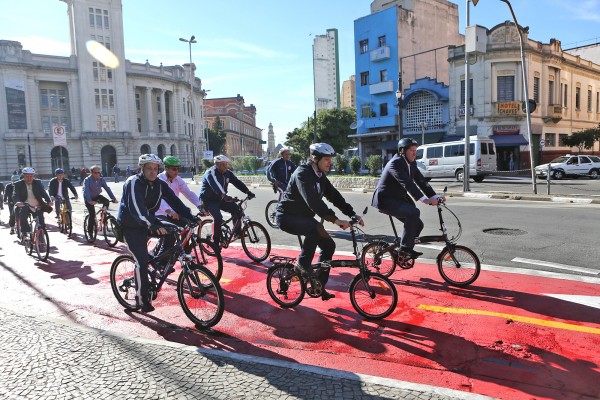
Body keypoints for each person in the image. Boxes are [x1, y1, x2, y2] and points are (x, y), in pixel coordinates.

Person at [275, 143, 362, 301]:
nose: (330, 162)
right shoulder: (302, 174)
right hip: (286, 217)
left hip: (303, 217)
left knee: (329, 246)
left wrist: (352, 213)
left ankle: (318, 286)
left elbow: (334, 197)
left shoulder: (321, 177)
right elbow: (314, 202)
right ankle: (302, 263)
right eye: (327, 159)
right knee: (314, 227)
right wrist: (336, 220)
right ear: (315, 159)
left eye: (330, 159)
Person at [117, 154, 196, 313]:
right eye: (149, 169)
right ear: (142, 169)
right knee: (142, 260)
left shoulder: (159, 184)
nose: (153, 172)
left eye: (155, 169)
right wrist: (152, 225)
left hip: (148, 222)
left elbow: (175, 201)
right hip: (130, 225)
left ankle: (159, 263)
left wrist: (189, 216)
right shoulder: (133, 183)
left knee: (171, 231)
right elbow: (136, 209)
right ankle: (141, 298)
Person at [371, 138, 439, 260]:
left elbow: (421, 181)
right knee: (414, 212)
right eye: (412, 150)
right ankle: (405, 249)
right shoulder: (395, 163)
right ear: (403, 151)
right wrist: (424, 199)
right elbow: (407, 183)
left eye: (415, 150)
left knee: (418, 225)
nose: (415, 153)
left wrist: (435, 197)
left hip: (398, 199)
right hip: (385, 200)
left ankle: (404, 252)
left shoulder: (412, 163)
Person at [154, 155, 205, 262]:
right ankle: (162, 262)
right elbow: (159, 200)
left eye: (178, 168)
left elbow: (189, 193)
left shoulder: (178, 180)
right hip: (160, 212)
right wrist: (169, 211)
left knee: (187, 226)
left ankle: (185, 254)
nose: (176, 171)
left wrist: (199, 205)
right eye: (173, 169)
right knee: (171, 234)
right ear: (166, 168)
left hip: (173, 211)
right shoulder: (159, 180)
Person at [199, 155, 255, 248]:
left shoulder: (227, 173)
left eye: (226, 164)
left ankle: (237, 232)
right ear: (217, 165)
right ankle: (215, 243)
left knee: (237, 209)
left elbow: (237, 182)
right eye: (223, 165)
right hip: (209, 200)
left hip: (220, 198)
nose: (226, 166)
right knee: (218, 218)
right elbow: (216, 186)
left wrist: (247, 192)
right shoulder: (210, 173)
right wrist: (224, 196)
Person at [12, 167, 52, 237]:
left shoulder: (37, 182)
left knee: (41, 222)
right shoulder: (18, 184)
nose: (29, 178)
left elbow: (43, 192)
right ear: (23, 176)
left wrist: (48, 201)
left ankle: (41, 235)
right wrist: (18, 202)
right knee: (23, 215)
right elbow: (15, 194)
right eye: (27, 177)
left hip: (37, 205)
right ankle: (25, 232)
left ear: (34, 176)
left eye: (31, 176)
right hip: (25, 205)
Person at [83, 165, 118, 237]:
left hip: (96, 196)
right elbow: (86, 191)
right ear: (91, 173)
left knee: (106, 201)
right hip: (88, 198)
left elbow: (107, 189)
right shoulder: (87, 180)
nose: (97, 174)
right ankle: (90, 232)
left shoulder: (101, 180)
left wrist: (113, 198)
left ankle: (103, 215)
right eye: (95, 173)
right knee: (92, 214)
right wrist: (89, 201)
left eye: (99, 172)